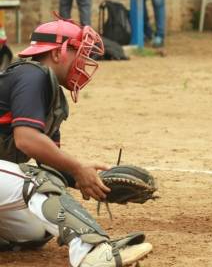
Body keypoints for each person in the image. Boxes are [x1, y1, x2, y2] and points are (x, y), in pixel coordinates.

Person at [0, 18, 152, 266]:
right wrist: (77, 168)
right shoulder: (32, 75)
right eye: (79, 52)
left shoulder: (50, 93)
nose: (84, 61)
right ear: (57, 53)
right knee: (37, 181)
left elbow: (50, 163)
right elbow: (26, 139)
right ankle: (92, 251)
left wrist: (92, 181)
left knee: (36, 230)